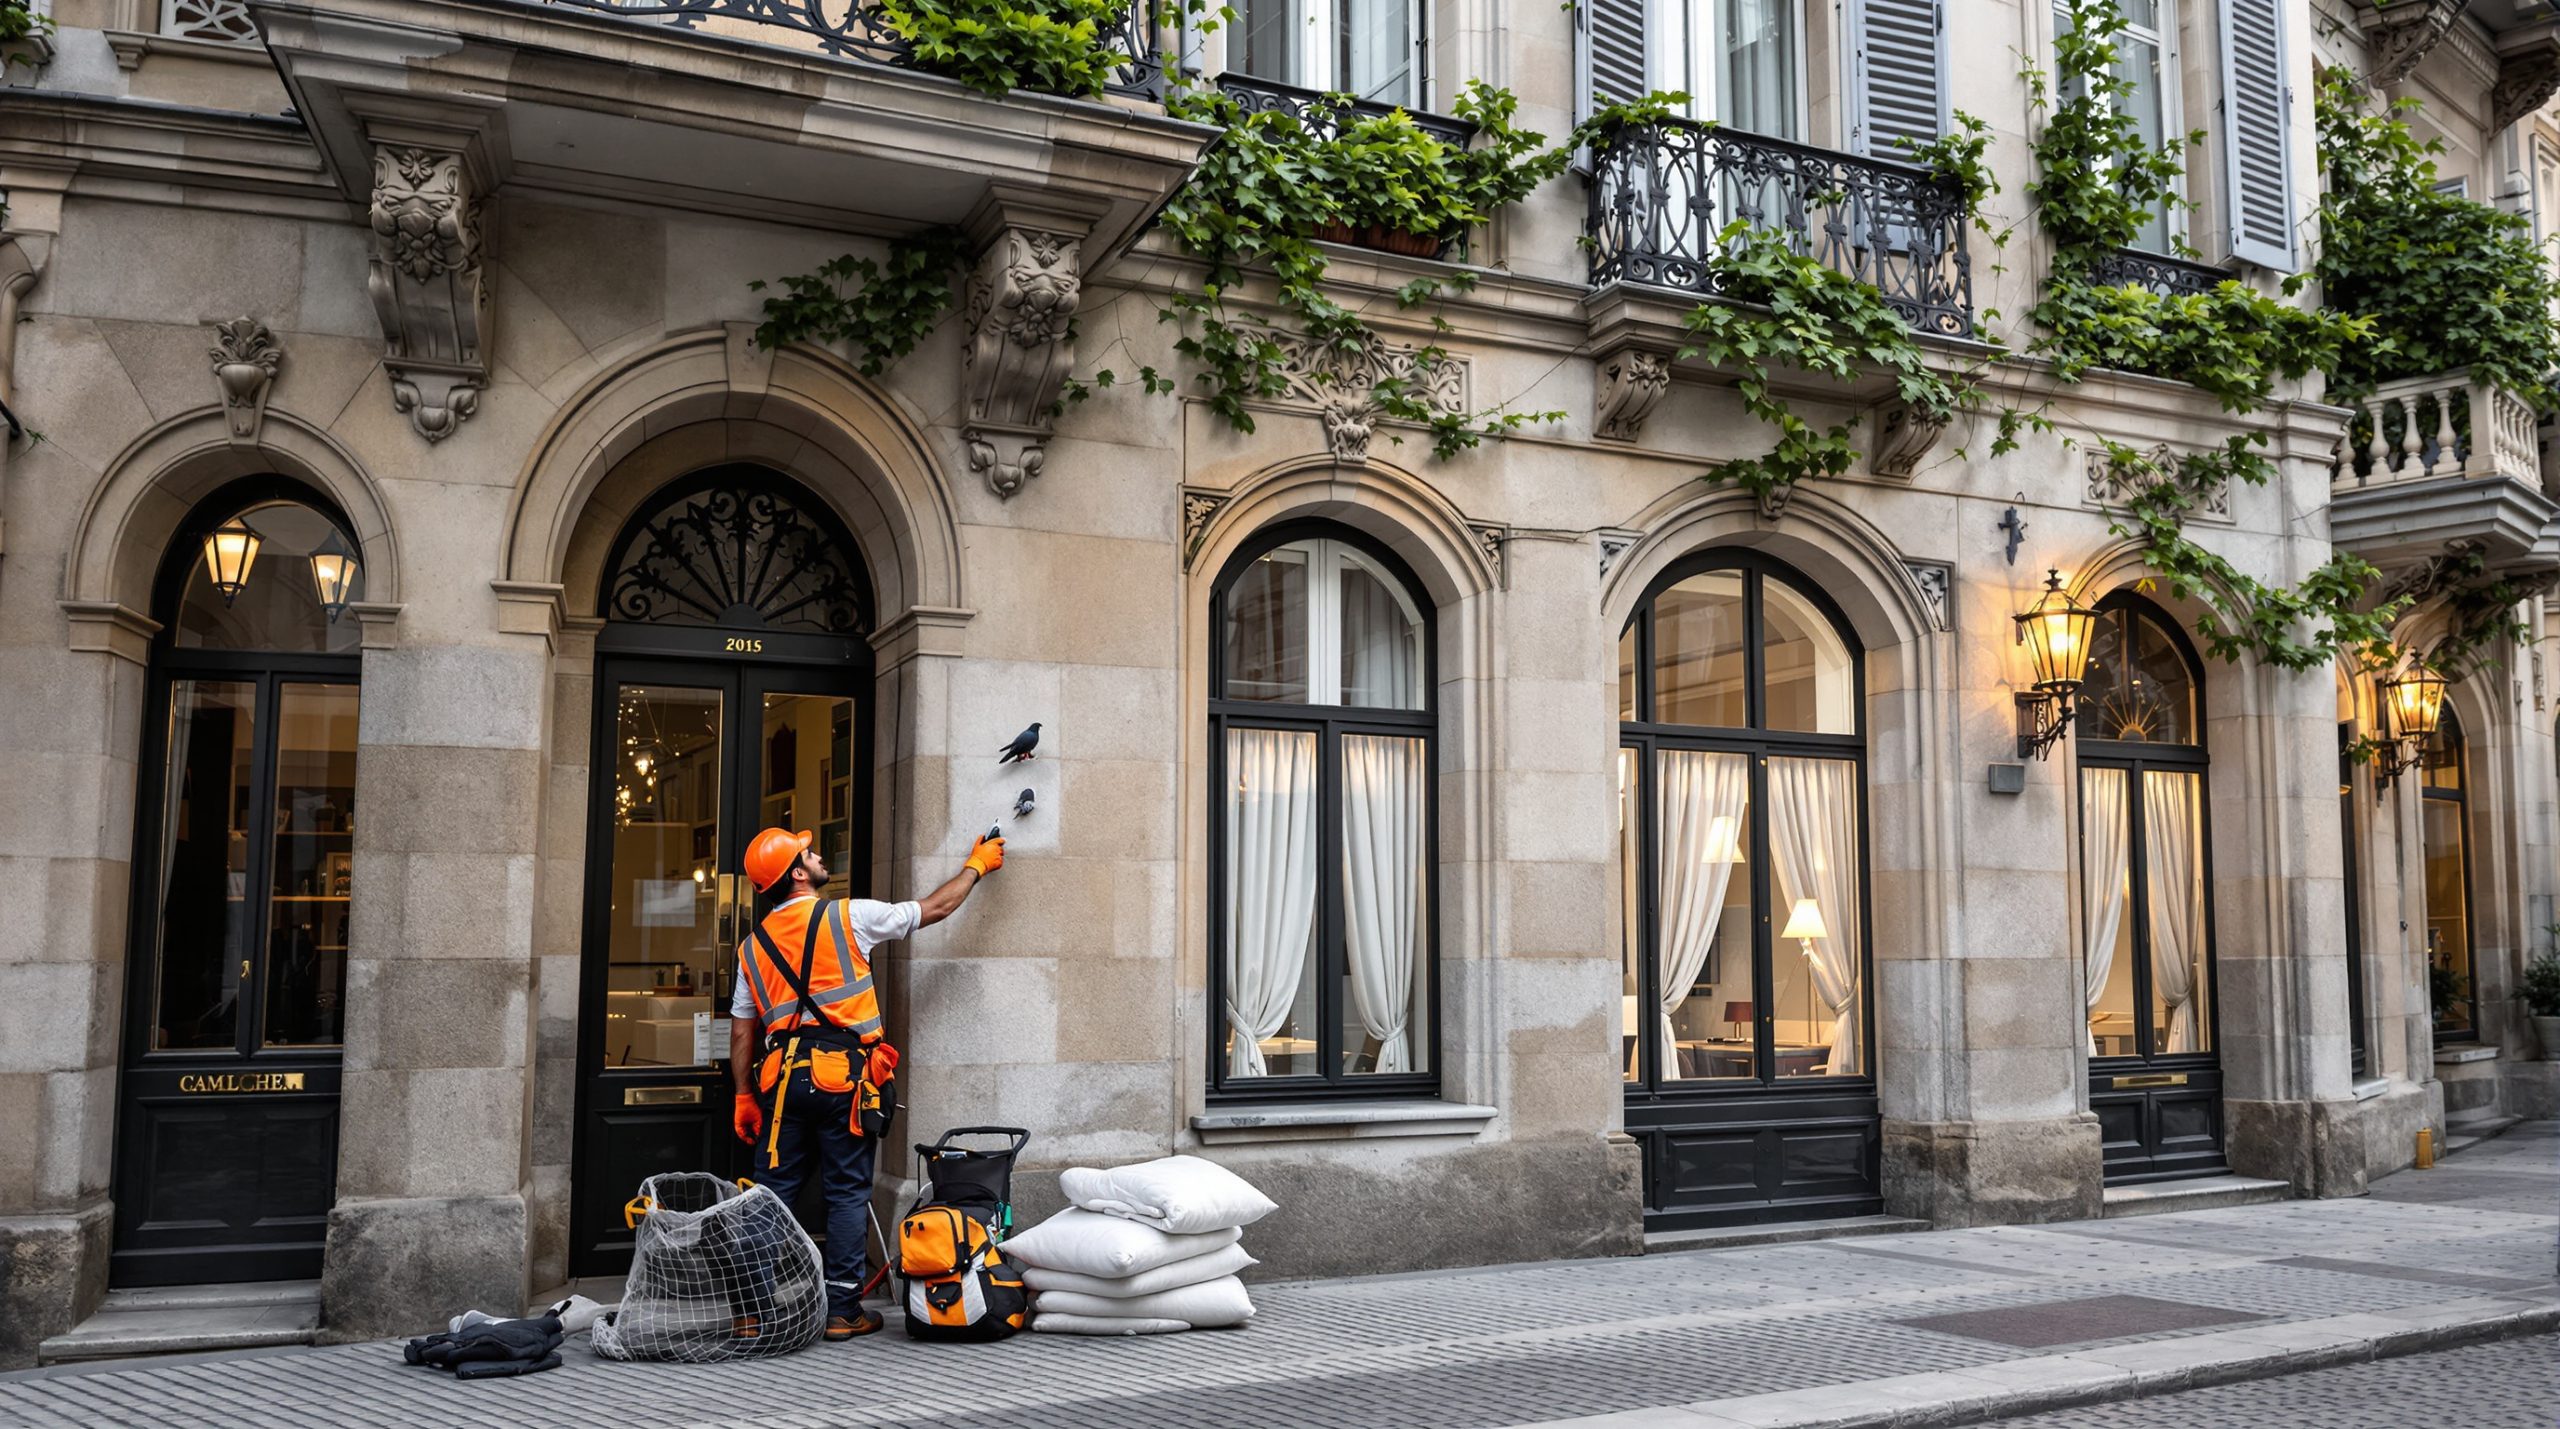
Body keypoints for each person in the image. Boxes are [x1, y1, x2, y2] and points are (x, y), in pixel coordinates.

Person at [728, 826, 1003, 1339]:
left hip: (782, 1084)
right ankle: (842, 1311)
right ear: (795, 873)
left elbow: (743, 1030)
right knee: (848, 1192)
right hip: (844, 1079)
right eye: (807, 853)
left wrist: (744, 1094)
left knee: (771, 1196)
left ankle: (752, 1312)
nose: (816, 856)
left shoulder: (752, 947)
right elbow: (933, 910)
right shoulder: (847, 915)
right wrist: (977, 866)